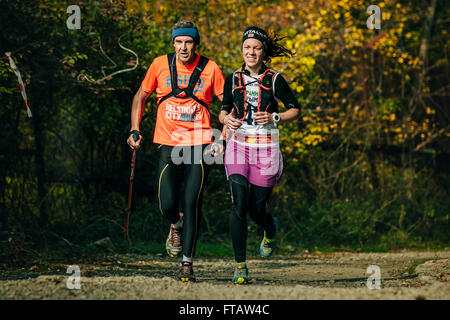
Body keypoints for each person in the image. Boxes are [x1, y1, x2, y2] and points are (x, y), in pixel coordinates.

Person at [127, 20, 225, 282]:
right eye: (179, 42)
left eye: (189, 42)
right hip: (168, 143)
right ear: (173, 43)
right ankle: (175, 223)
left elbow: (228, 106)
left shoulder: (211, 68)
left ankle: (187, 263)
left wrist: (223, 137)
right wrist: (135, 129)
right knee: (167, 203)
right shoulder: (160, 64)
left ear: (196, 44)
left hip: (200, 144)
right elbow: (141, 95)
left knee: (192, 202)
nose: (184, 47)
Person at [219, 26, 301, 284]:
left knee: (257, 210)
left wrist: (275, 116)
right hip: (239, 145)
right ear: (241, 50)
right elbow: (223, 110)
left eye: (255, 47)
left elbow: (294, 109)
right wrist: (226, 120)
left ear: (263, 51)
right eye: (247, 47)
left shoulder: (275, 79)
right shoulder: (232, 78)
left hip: (265, 148)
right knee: (239, 201)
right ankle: (240, 265)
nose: (251, 52)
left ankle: (270, 227)